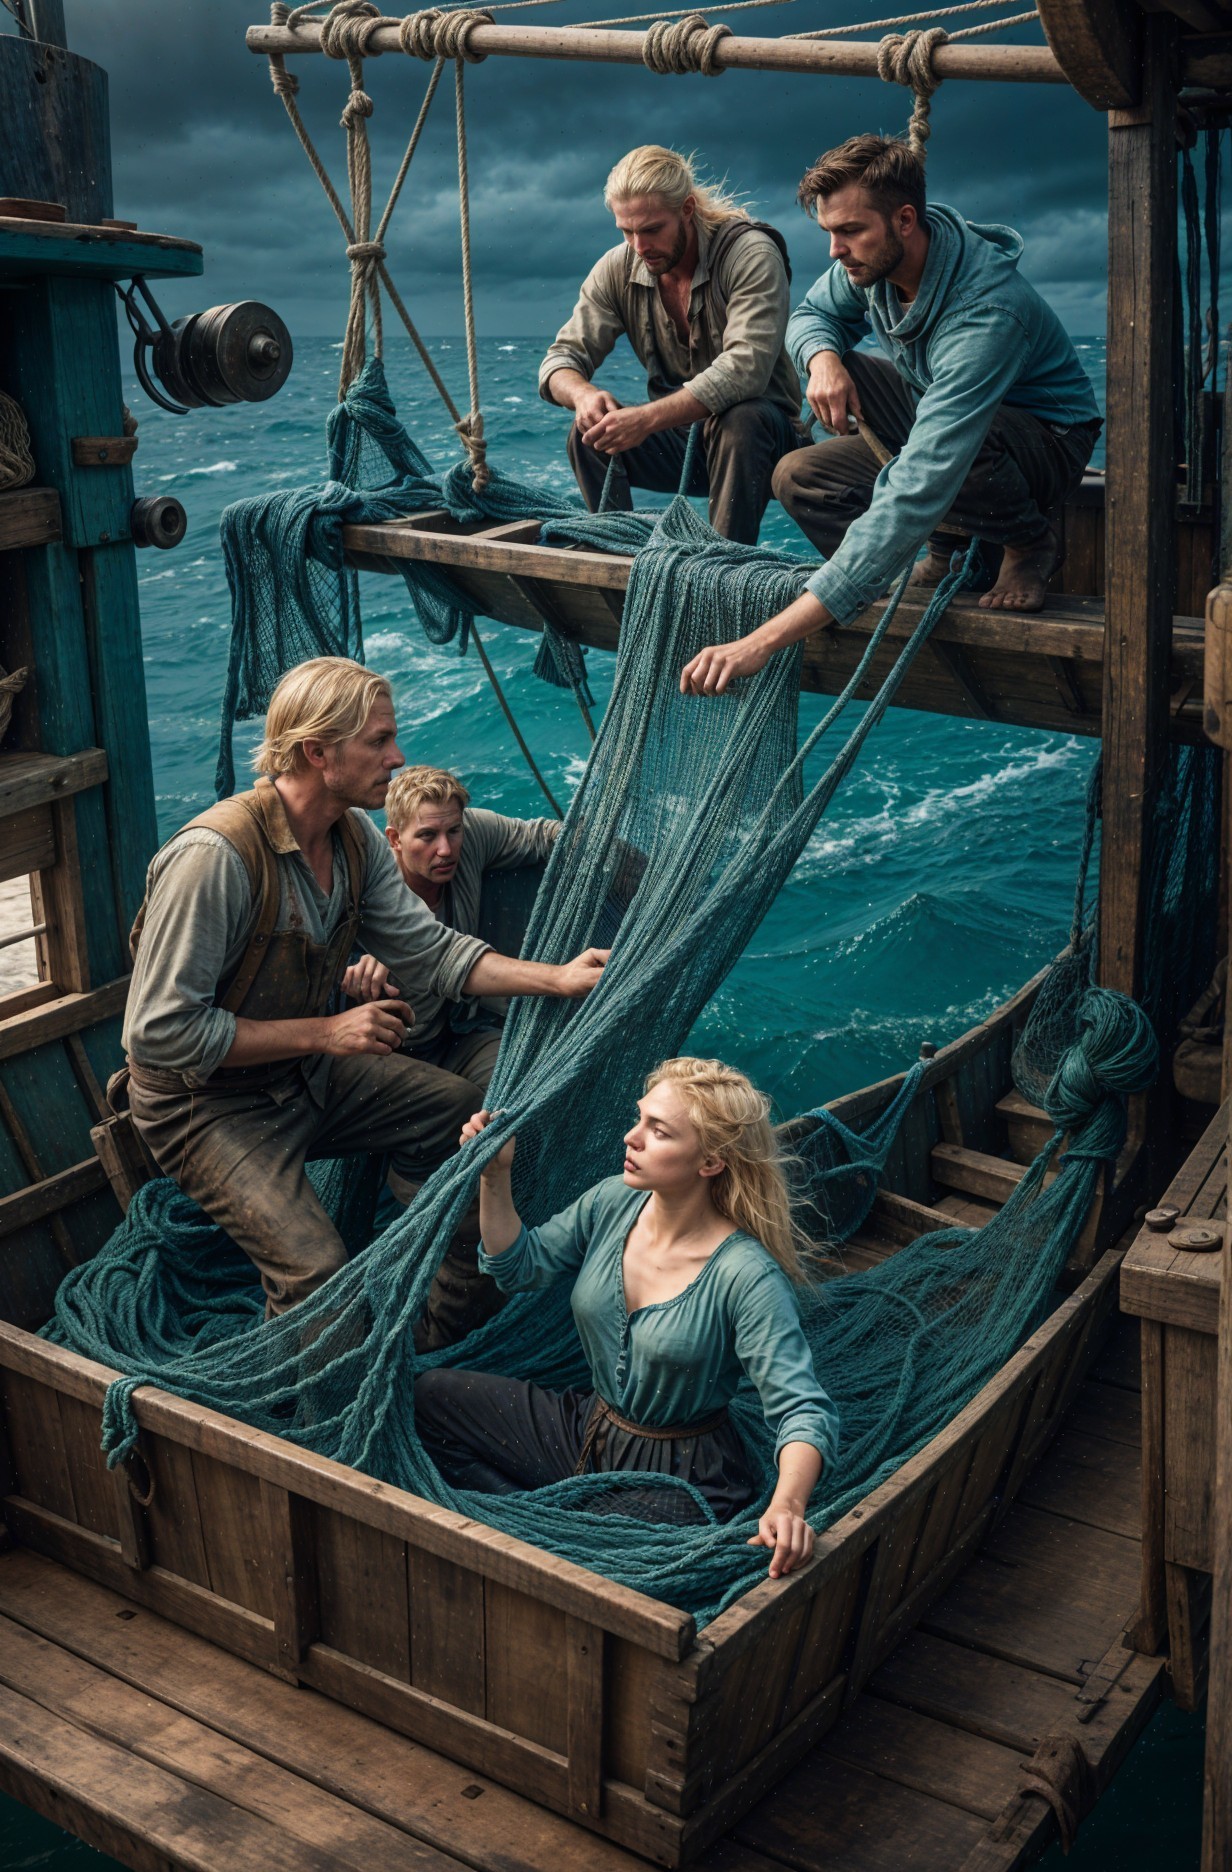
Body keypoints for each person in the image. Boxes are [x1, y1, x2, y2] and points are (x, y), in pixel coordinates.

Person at [121, 657, 606, 1318]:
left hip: (304, 1076)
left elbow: (432, 952)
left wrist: (560, 979)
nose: (397, 756)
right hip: (205, 1107)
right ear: (317, 752)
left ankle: (438, 1330)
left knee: (459, 1115)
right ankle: (308, 1418)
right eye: (378, 741)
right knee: (316, 1273)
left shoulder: (354, 841)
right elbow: (158, 1033)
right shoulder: (214, 858)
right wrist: (326, 1032)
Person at [680, 135, 1102, 697]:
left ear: (905, 220)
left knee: (958, 453)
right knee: (799, 477)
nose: (835, 249)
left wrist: (765, 640)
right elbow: (810, 315)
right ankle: (937, 558)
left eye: (850, 231)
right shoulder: (872, 265)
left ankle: (1027, 542)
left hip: (1046, 439)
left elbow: (920, 482)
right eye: (829, 232)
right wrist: (825, 360)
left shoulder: (988, 313)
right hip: (938, 407)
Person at [414, 1058, 838, 1576]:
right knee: (429, 1397)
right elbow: (518, 1267)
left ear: (710, 1162)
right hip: (586, 1427)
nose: (631, 1138)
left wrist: (788, 1505)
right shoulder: (612, 1200)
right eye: (639, 1119)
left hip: (683, 1479)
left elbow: (802, 1410)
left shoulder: (746, 1275)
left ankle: (540, 1515)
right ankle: (543, 1514)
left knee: (603, 1553)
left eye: (657, 1132)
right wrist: (495, 1176)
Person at [539, 145, 803, 545]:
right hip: (682, 446)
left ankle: (722, 571)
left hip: (764, 448)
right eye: (626, 231)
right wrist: (583, 395)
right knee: (588, 432)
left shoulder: (750, 253)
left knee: (741, 420)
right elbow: (560, 360)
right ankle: (618, 558)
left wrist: (645, 419)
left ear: (687, 209)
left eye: (650, 229)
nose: (639, 246)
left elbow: (745, 370)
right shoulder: (619, 266)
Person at [343, 764, 560, 1099]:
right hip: (393, 1056)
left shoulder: (471, 834)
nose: (445, 849)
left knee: (533, 1078)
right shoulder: (367, 891)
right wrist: (360, 965)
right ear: (395, 839)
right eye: (427, 836)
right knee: (458, 1103)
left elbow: (546, 835)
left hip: (461, 1031)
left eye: (453, 831)